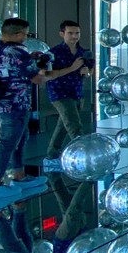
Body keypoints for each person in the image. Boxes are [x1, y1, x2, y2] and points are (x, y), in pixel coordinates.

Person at [0, 18, 83, 211]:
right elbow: (38, 79)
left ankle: (19, 175)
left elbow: (9, 68)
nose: (26, 38)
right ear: (18, 34)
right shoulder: (18, 52)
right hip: (16, 105)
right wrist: (46, 66)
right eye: (25, 34)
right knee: (8, 143)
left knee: (20, 138)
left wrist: (31, 60)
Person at [42, 20, 93, 172]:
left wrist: (87, 72)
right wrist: (72, 68)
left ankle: (51, 156)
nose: (74, 36)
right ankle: (84, 158)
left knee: (64, 125)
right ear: (62, 34)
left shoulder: (84, 52)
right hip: (59, 93)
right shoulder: (53, 53)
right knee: (74, 126)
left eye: (77, 33)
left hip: (77, 92)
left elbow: (90, 70)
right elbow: (49, 75)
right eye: (70, 33)